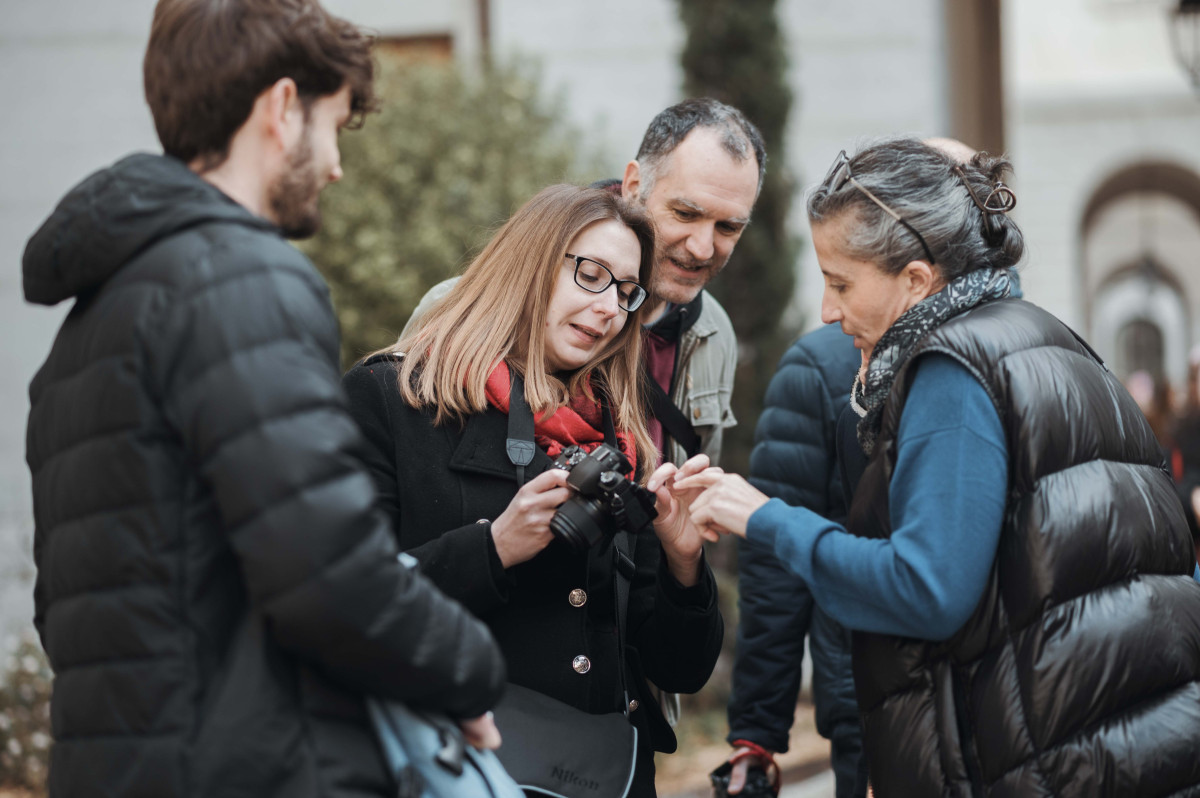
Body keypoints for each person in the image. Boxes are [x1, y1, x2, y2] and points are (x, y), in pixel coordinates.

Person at [22, 2, 505, 796]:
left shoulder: (94, 316)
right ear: (283, 108)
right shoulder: (242, 278)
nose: (337, 167)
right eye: (336, 128)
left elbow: (72, 608)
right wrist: (469, 674)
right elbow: (329, 570)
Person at [679, 138, 1200, 797]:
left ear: (917, 281)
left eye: (841, 283)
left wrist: (766, 520)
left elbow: (926, 591)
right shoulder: (1047, 338)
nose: (827, 311)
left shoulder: (951, 372)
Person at [342, 183, 725, 797]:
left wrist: (684, 562)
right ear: (531, 264)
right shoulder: (394, 400)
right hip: (454, 774)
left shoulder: (622, 443)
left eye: (627, 293)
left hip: (602, 779)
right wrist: (492, 549)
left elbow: (680, 668)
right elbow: (345, 611)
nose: (609, 309)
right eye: (591, 275)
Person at [402, 98, 763, 468]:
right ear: (634, 185)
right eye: (685, 213)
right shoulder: (460, 305)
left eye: (729, 227)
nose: (703, 248)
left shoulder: (715, 333)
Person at [723, 324, 865, 797]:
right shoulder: (822, 368)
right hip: (867, 706)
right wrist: (755, 733)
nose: (829, 307)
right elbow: (774, 567)